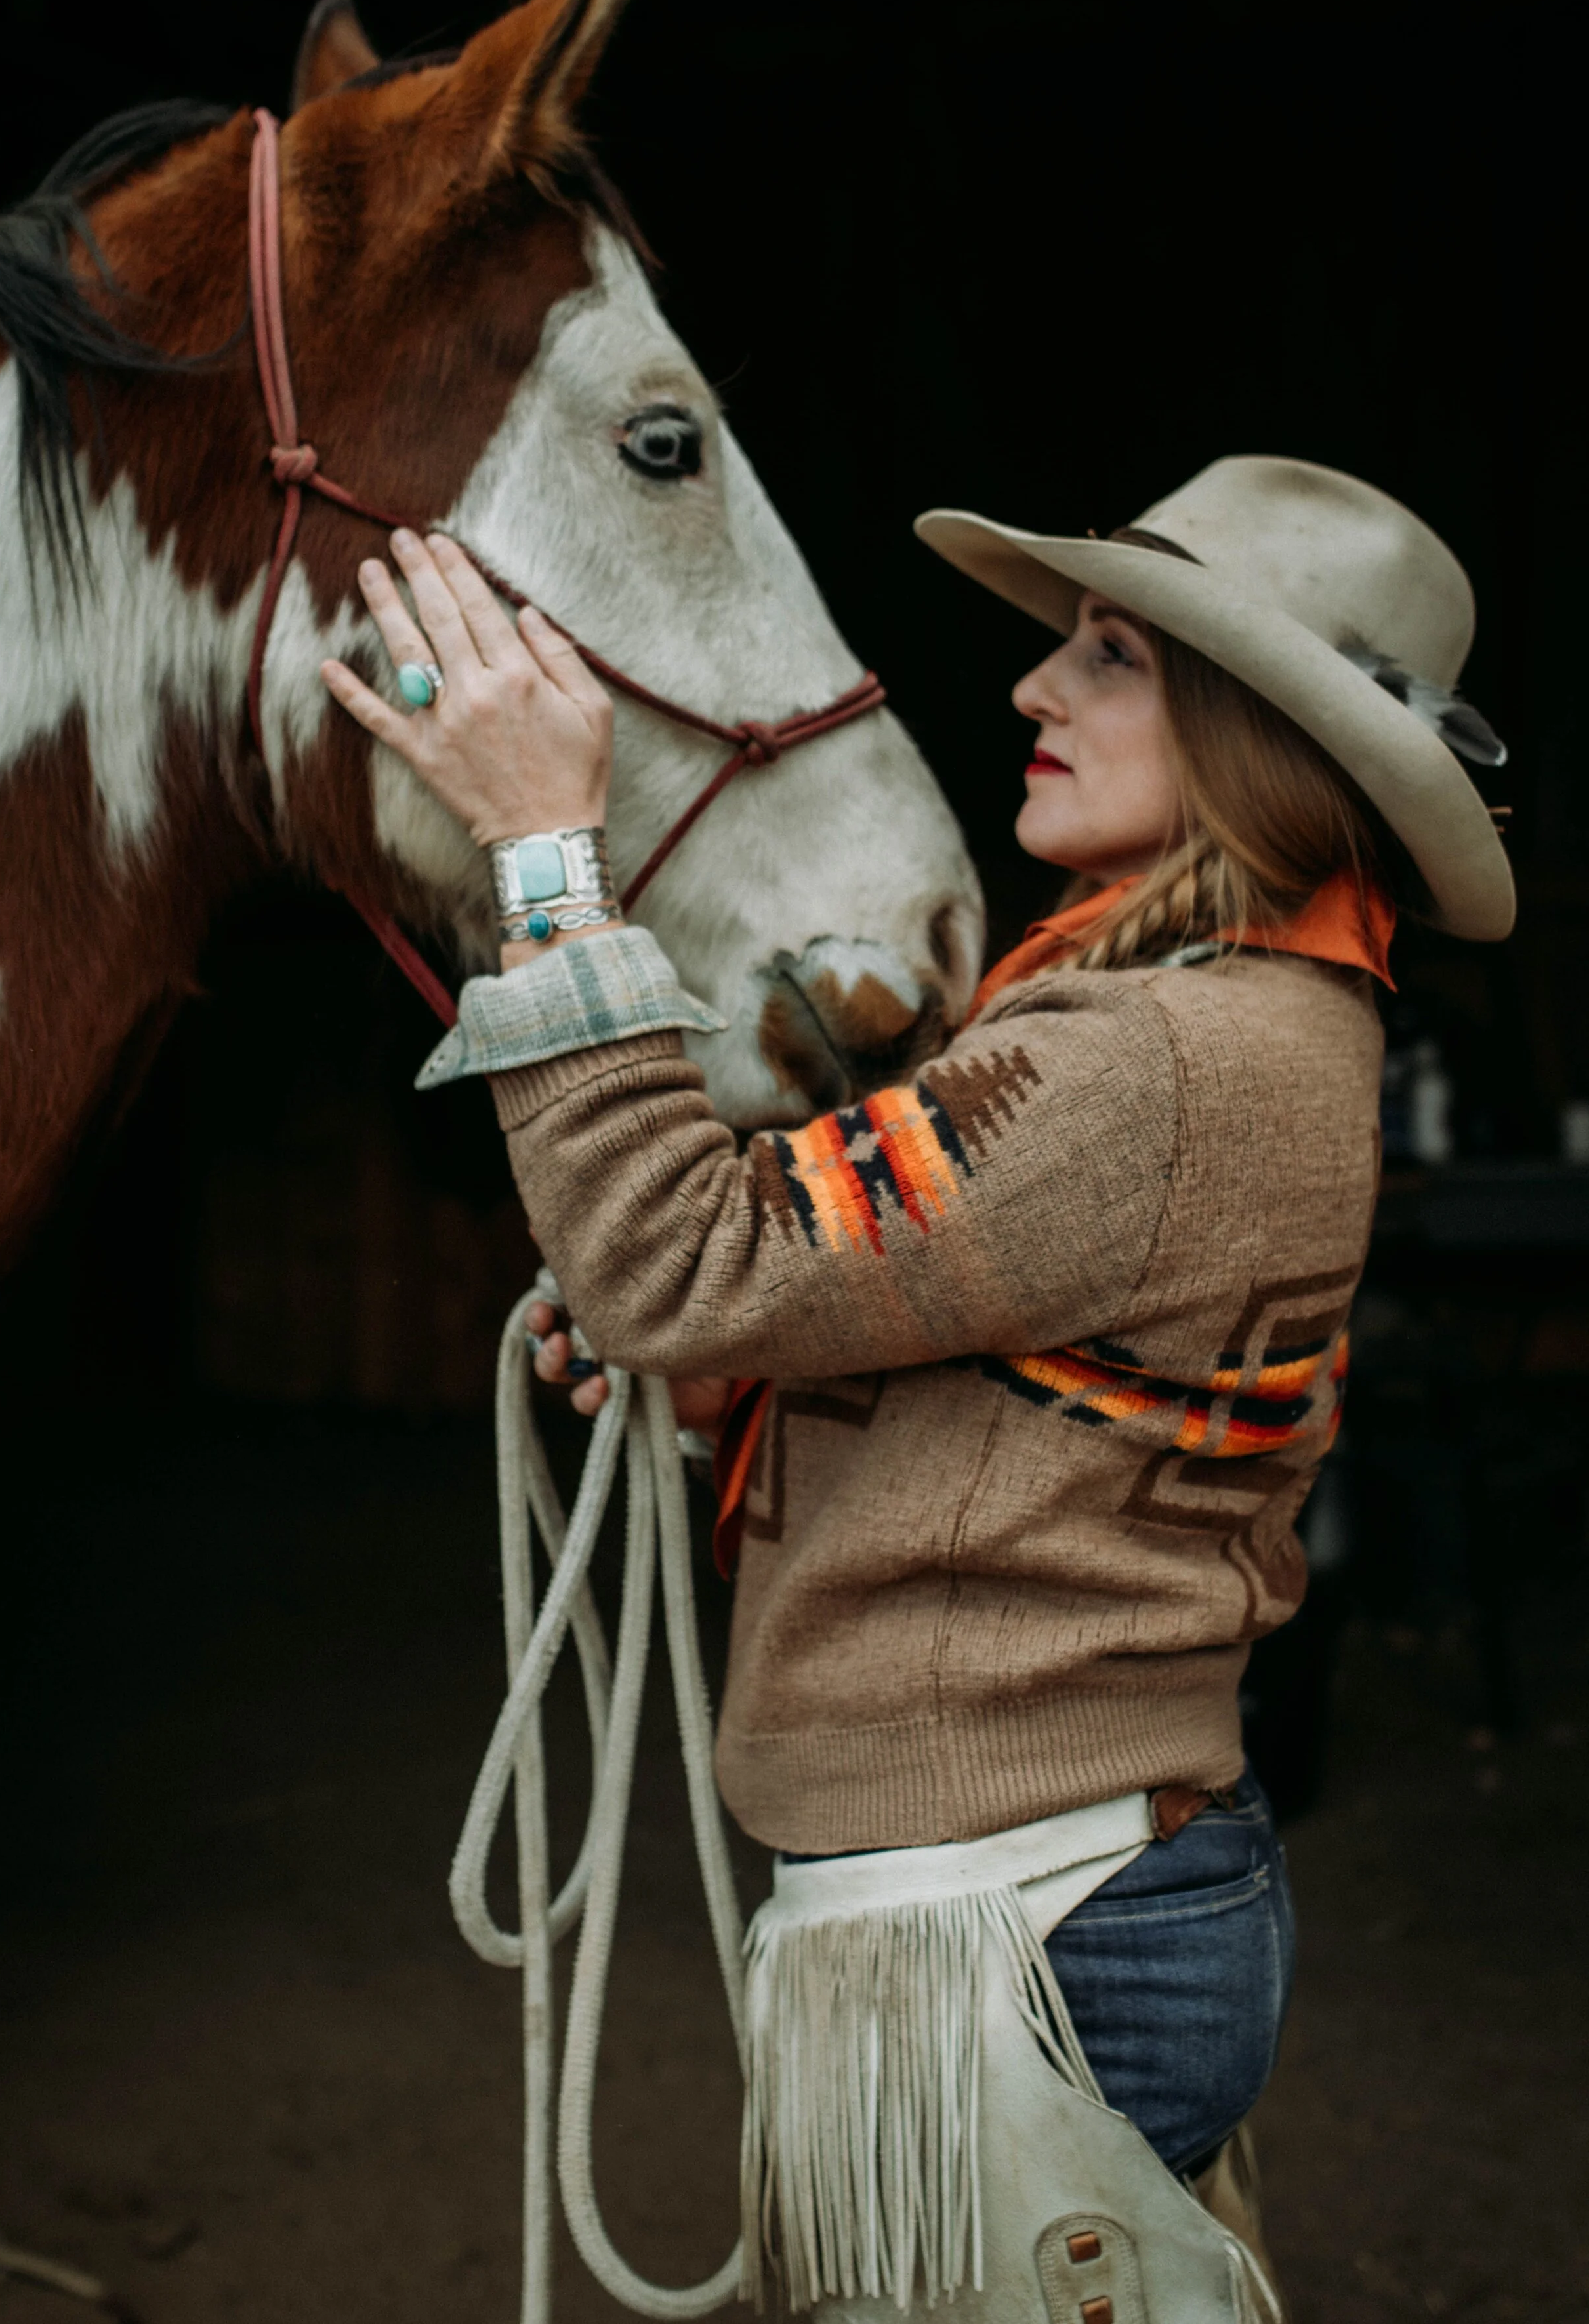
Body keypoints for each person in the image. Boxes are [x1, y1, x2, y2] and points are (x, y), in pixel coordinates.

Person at [322, 455, 1512, 2317]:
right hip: (1069, 1878)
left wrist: (547, 857)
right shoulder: (1241, 1015)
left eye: (1110, 655)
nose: (1035, 690)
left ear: (1249, 728)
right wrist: (731, 1372)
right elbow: (1007, 1374)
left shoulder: (1145, 1053)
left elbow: (677, 1256)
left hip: (1008, 1915)